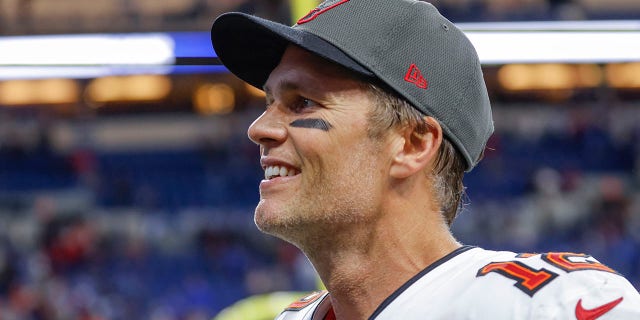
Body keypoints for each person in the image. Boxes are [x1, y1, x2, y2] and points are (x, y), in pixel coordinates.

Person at [210, 0, 640, 318]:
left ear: (413, 144)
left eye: (302, 102)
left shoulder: (553, 305)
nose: (259, 128)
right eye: (268, 103)